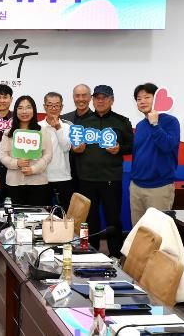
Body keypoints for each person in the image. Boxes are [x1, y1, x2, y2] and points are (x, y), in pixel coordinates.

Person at [74, 85, 133, 258]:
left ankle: (115, 255)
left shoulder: (122, 121)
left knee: (113, 218)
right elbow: (74, 147)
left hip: (110, 178)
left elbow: (132, 146)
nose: (100, 101)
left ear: (112, 100)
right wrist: (76, 149)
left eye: (104, 98)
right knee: (89, 219)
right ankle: (90, 252)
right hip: (86, 178)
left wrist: (120, 149)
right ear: (93, 100)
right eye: (97, 98)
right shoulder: (83, 122)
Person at [130, 82, 180, 225]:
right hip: (136, 187)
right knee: (138, 231)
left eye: (147, 97)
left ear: (157, 98)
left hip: (159, 187)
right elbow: (137, 154)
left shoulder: (171, 122)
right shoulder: (140, 125)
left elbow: (168, 146)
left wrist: (155, 124)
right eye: (139, 99)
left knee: (158, 233)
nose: (142, 101)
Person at [0, 95, 53, 206]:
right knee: (16, 214)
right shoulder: (8, 133)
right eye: (20, 108)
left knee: (37, 215)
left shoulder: (42, 131)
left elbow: (48, 154)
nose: (24, 111)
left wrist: (34, 169)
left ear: (34, 110)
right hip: (14, 183)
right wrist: (17, 163)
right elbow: (3, 156)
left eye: (28, 107)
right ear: (15, 111)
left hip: (38, 182)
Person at [39, 92, 73, 208]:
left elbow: (66, 147)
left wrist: (58, 128)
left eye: (57, 105)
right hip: (42, 178)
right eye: (50, 105)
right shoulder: (37, 127)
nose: (53, 108)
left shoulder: (68, 127)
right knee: (43, 214)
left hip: (63, 177)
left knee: (64, 214)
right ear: (44, 107)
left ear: (61, 107)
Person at [61, 84, 94, 192]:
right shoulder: (64, 119)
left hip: (89, 177)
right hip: (66, 175)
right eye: (77, 95)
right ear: (73, 97)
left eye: (84, 95)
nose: (80, 99)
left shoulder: (98, 120)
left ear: (90, 97)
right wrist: (71, 148)